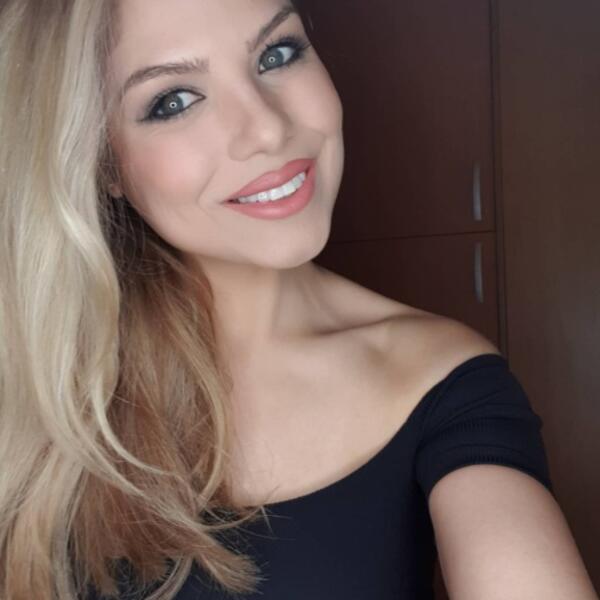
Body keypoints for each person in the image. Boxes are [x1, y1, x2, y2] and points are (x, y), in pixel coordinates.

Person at [0, 0, 597, 599]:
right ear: (102, 161)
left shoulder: (447, 386)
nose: (268, 128)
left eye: (276, 54)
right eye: (174, 101)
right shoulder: (36, 387)